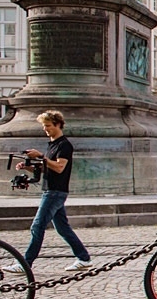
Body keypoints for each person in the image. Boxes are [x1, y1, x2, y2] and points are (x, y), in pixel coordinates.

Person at [6, 110, 92, 273]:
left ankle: (25, 264)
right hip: (50, 189)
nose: (45, 129)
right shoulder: (52, 145)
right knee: (63, 228)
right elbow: (47, 169)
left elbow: (59, 167)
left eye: (48, 126)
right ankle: (84, 258)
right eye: (44, 126)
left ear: (58, 124)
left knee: (37, 226)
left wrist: (41, 156)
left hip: (56, 192)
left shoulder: (64, 145)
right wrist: (27, 167)